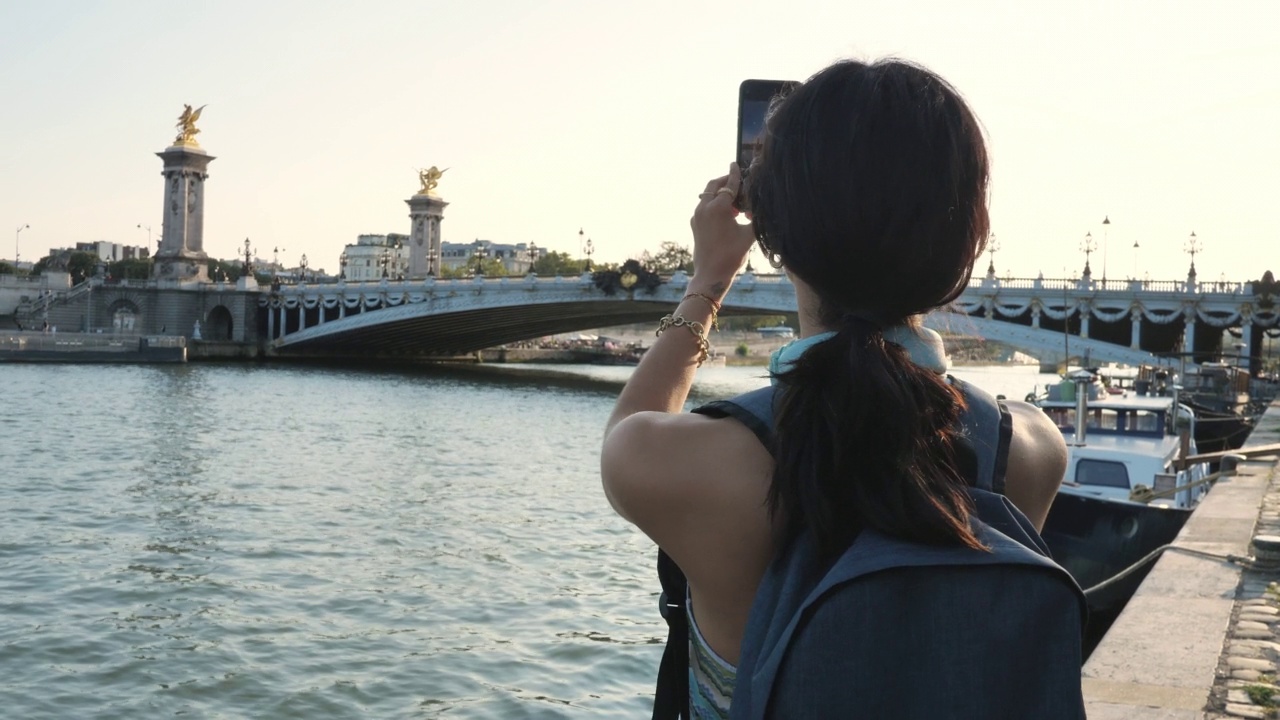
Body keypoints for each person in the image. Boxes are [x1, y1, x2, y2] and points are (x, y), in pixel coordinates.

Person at [600, 58, 1083, 718]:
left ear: (771, 233)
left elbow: (629, 429)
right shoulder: (1028, 449)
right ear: (971, 235)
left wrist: (708, 281)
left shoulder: (691, 465)